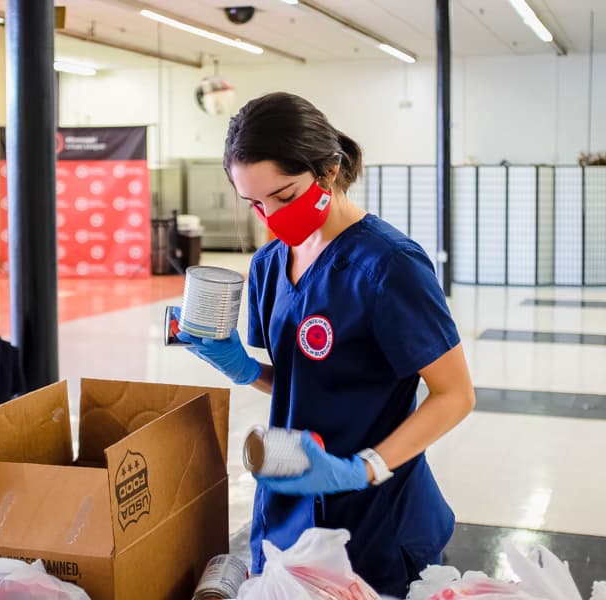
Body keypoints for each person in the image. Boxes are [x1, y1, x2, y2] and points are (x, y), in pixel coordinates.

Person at [176, 92, 475, 598]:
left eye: (285, 196)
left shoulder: (389, 266)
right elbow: (305, 382)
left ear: (328, 170)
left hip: (378, 516)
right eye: (255, 202)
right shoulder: (271, 264)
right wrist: (245, 369)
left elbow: (455, 395)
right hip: (291, 501)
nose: (270, 215)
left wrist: (365, 467)